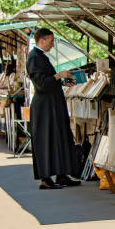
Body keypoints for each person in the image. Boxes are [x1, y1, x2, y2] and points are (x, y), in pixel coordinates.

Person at [27, 28, 81, 190]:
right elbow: (41, 83)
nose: (52, 45)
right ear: (42, 41)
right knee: (47, 140)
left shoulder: (40, 57)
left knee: (61, 137)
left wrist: (63, 82)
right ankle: (46, 178)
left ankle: (61, 173)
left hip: (53, 105)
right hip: (44, 107)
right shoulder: (34, 57)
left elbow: (48, 80)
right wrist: (59, 76)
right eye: (51, 41)